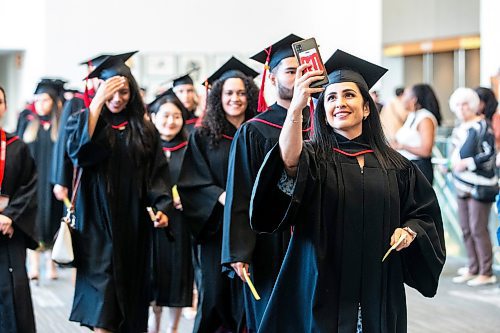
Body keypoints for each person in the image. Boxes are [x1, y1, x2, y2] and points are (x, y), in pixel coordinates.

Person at [249, 49, 445, 332]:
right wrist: (296, 109)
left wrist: (411, 229)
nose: (340, 103)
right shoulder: (313, 159)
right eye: (331, 97)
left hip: (378, 283)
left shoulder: (396, 166)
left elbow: (423, 213)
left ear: (366, 108)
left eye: (349, 95)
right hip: (323, 281)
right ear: (324, 113)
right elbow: (288, 162)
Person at [65, 52, 172, 333]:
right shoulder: (82, 121)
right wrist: (97, 103)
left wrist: (161, 207)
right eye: (109, 92)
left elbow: (157, 174)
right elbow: (80, 154)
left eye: (123, 92)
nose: (117, 98)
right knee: (104, 301)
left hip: (134, 225)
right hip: (97, 224)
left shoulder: (144, 129)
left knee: (133, 300)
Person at [220, 33, 312, 332]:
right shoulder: (255, 130)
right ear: (271, 79)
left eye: (304, 69)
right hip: (269, 243)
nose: (299, 76)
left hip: (314, 237)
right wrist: (239, 251)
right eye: (290, 70)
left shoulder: (323, 124)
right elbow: (241, 193)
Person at [177, 56, 259, 333]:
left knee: (250, 298)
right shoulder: (203, 136)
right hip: (216, 230)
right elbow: (192, 183)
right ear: (218, 97)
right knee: (214, 297)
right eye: (229, 93)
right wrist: (222, 197)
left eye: (241, 93)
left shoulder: (258, 132)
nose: (235, 98)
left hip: (253, 229)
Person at [148, 89, 194, 333]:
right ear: (153, 117)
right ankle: (153, 326)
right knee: (154, 277)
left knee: (178, 277)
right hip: (152, 222)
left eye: (176, 116)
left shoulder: (190, 148)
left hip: (180, 224)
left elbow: (198, 182)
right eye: (165, 116)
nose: (170, 122)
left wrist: (188, 199)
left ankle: (173, 329)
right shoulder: (145, 148)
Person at [448, 88, 498, 287]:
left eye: (466, 104)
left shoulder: (482, 126)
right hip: (460, 183)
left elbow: (489, 154)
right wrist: (450, 166)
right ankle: (473, 266)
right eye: (458, 105)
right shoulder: (459, 128)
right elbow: (454, 153)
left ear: (474, 105)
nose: (462, 109)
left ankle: (486, 271)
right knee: (466, 228)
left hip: (481, 184)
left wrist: (468, 163)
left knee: (478, 228)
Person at [17, 78, 65, 281]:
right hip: (32, 184)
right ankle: (34, 265)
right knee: (33, 224)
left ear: (53, 102)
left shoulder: (59, 127)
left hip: (52, 184)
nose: (40, 104)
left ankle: (51, 265)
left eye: (45, 100)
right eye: (38, 100)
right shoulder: (29, 125)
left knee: (53, 223)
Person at [0, 85, 38, 333]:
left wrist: (10, 216)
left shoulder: (17, 146)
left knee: (12, 289)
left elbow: (30, 187)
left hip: (7, 230)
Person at [51, 54, 111, 204]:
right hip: (77, 173)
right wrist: (61, 180)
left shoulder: (113, 103)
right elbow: (63, 141)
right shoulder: (76, 102)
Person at [393, 83, 441, 184]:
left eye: (405, 94)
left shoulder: (425, 118)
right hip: (407, 168)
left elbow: (426, 151)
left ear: (414, 99)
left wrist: (402, 146)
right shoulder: (412, 115)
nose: (402, 98)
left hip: (419, 170)